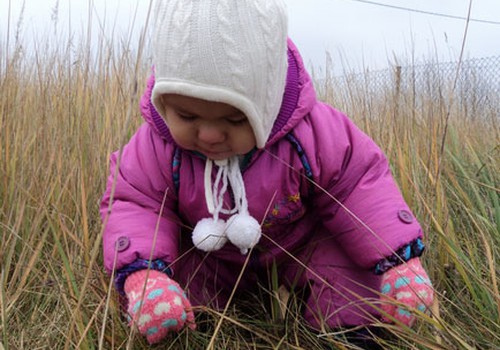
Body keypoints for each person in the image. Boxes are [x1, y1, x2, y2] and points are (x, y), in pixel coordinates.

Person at [100, 0, 434, 346]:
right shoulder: (156, 145)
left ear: (268, 101)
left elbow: (358, 186)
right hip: (210, 259)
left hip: (297, 248)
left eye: (234, 119)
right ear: (164, 102)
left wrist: (398, 258)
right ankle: (181, 325)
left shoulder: (313, 133)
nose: (210, 135)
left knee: (349, 271)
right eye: (187, 116)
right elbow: (135, 203)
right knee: (176, 289)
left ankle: (350, 334)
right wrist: (145, 272)